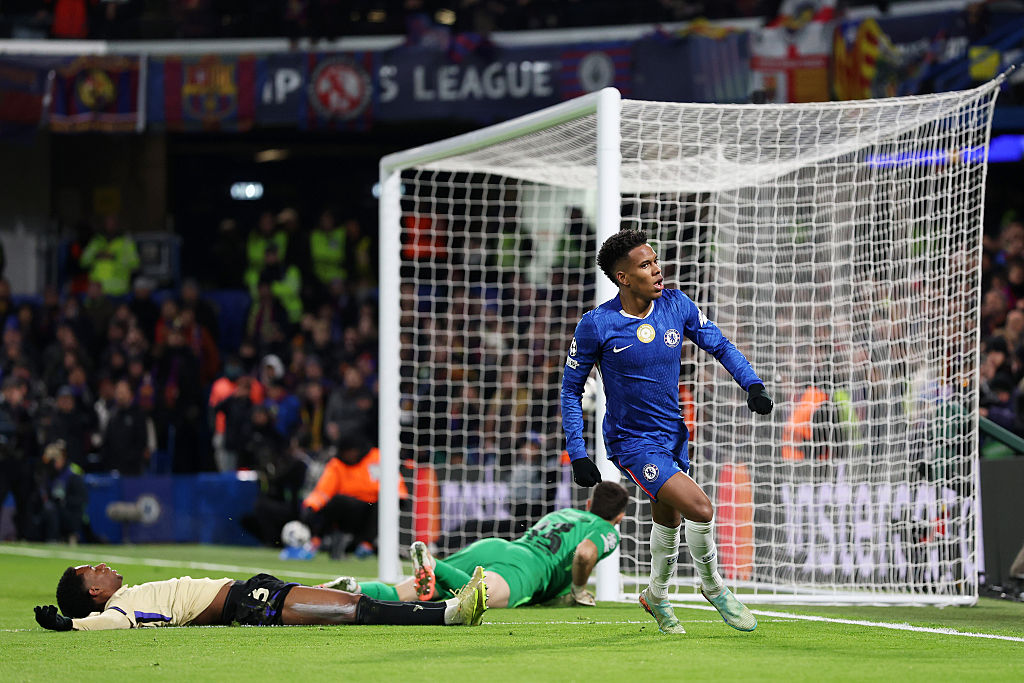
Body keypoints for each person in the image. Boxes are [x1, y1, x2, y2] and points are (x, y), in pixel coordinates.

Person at [560, 229, 774, 635]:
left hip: (672, 434)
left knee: (669, 518)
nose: (657, 270)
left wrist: (753, 384)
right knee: (701, 508)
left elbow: (721, 345)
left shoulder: (676, 304)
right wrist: (579, 452)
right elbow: (571, 389)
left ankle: (656, 594)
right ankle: (713, 586)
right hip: (632, 442)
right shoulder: (598, 324)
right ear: (623, 277)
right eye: (645, 265)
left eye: (655, 261)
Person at [322, 481, 629, 609]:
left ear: (588, 503)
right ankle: (434, 564)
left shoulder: (566, 513)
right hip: (523, 569)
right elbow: (585, 553)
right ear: (619, 516)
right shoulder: (607, 530)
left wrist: (564, 595)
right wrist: (578, 589)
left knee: (406, 594)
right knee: (474, 600)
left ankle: (348, 589)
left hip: (496, 548)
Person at [32, 562, 487, 631]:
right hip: (245, 603)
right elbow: (116, 624)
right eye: (95, 570)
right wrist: (72, 624)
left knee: (350, 604)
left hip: (248, 594)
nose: (105, 567)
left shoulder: (127, 594)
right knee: (352, 610)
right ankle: (448, 613)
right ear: (93, 592)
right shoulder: (119, 608)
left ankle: (445, 609)